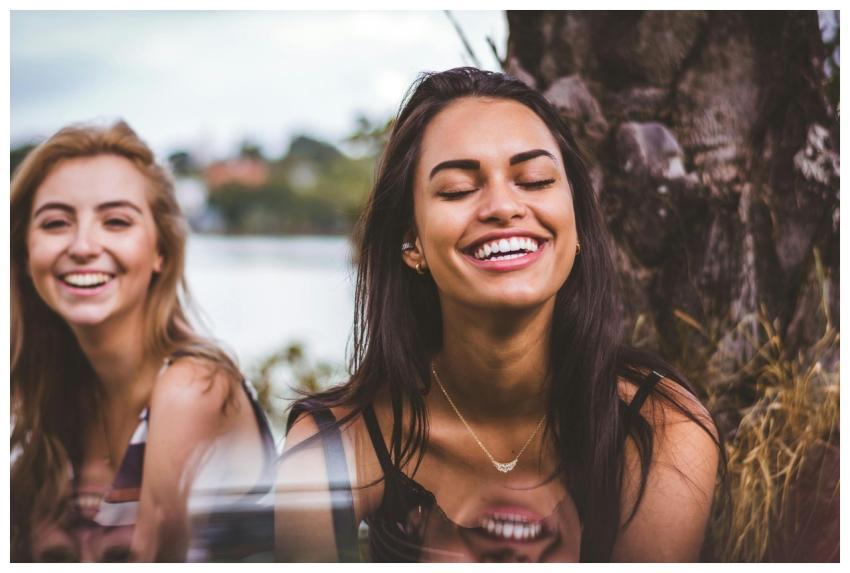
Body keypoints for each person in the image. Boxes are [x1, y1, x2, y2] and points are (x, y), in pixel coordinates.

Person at [274, 67, 723, 563]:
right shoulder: (331, 450)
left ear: (575, 224)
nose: (504, 206)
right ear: (412, 242)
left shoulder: (660, 426)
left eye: (534, 179)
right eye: (458, 189)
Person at [10, 121, 277, 562]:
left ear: (161, 252)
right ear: (25, 252)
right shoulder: (50, 400)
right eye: (56, 223)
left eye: (116, 221)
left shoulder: (193, 388)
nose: (82, 245)